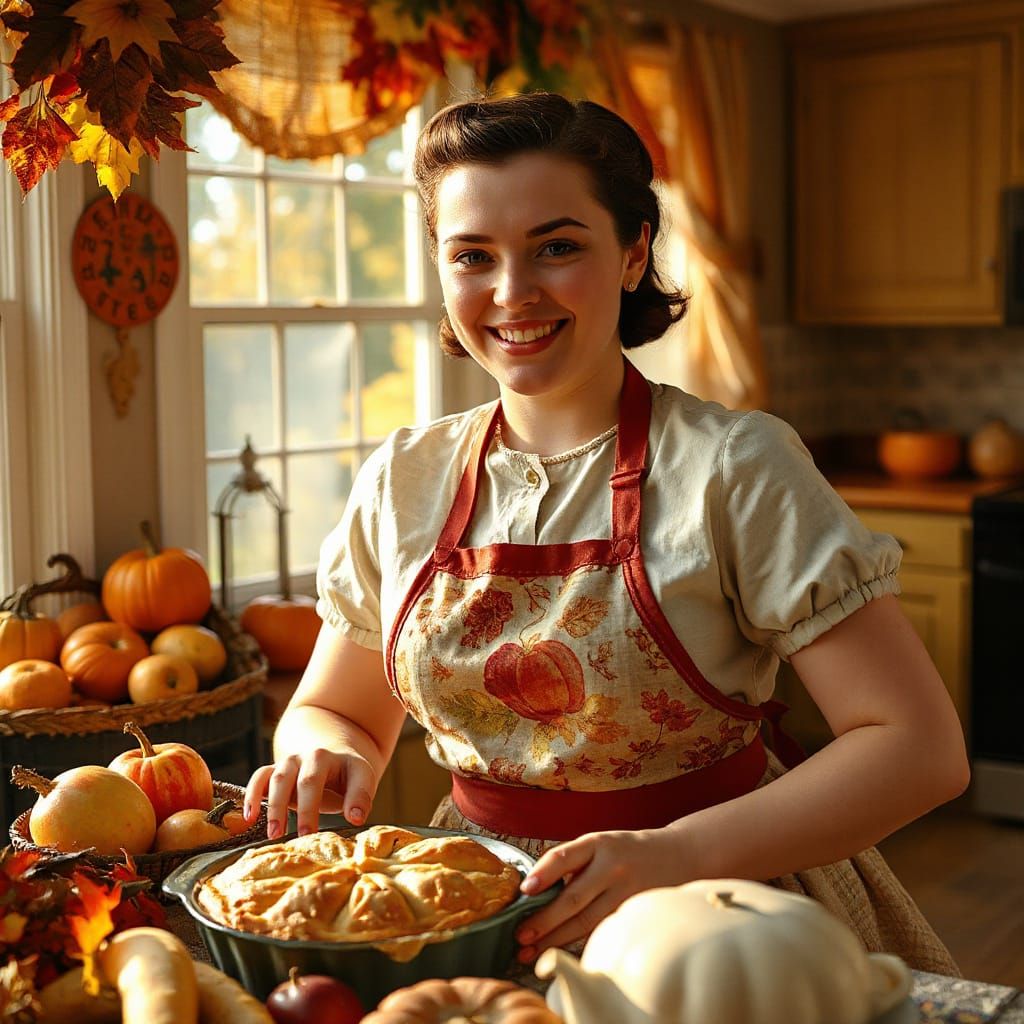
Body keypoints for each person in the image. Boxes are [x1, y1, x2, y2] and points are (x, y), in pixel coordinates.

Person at [244, 92, 969, 975]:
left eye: (557, 246)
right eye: (473, 255)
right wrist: (321, 749)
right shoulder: (403, 481)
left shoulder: (735, 467)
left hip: (718, 915)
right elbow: (338, 709)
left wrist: (679, 854)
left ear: (632, 254)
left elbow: (919, 750)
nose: (513, 292)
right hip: (473, 911)